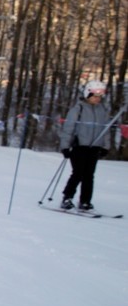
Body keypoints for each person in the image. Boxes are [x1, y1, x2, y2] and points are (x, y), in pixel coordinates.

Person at [59, 80, 111, 211]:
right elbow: (69, 128)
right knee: (78, 173)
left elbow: (106, 129)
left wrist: (106, 146)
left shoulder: (103, 110)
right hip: (80, 146)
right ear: (88, 94)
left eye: (100, 96)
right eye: (95, 96)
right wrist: (65, 146)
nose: (97, 99)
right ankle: (67, 197)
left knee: (89, 175)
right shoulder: (79, 109)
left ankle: (85, 201)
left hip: (94, 147)